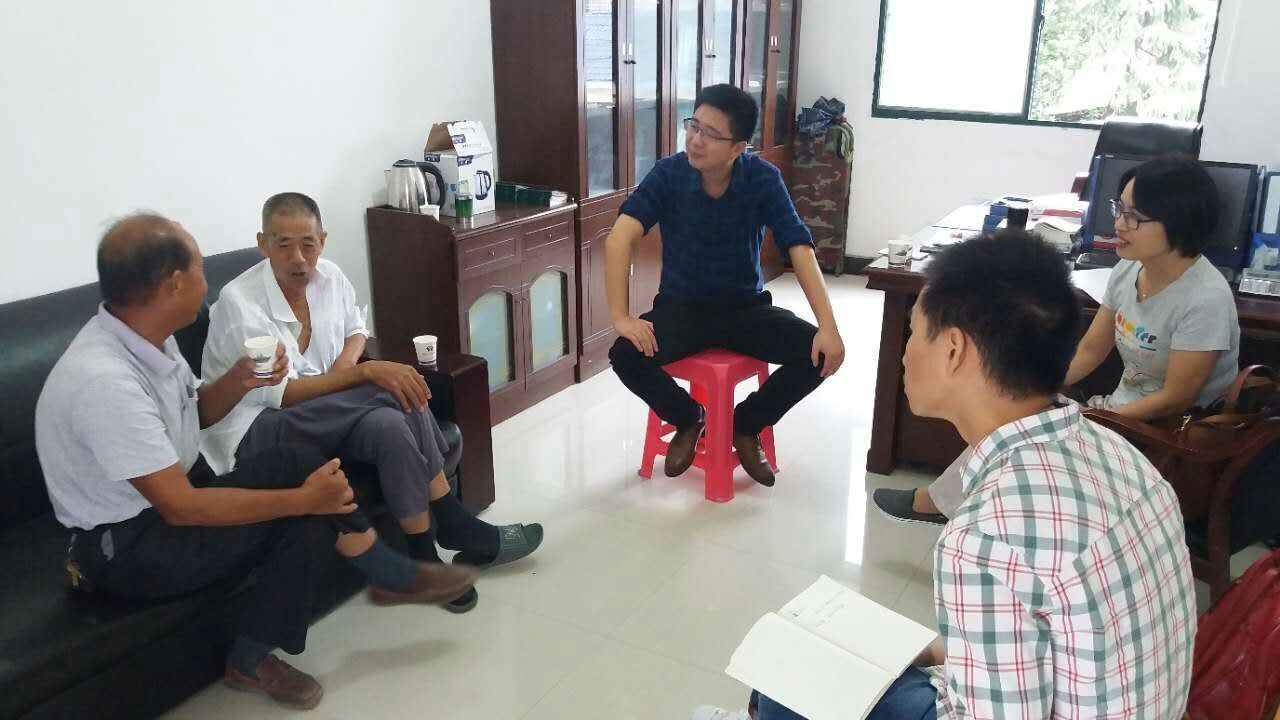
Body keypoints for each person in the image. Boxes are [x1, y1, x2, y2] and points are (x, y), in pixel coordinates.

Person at [701, 231, 1197, 719]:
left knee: (786, 682)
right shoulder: (1120, 454)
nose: (904, 352)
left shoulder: (986, 535)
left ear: (954, 350)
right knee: (801, 670)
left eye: (915, 332)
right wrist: (939, 651)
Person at [35, 214, 477, 710]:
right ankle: (282, 640)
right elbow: (181, 507)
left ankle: (385, 575)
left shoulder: (146, 336)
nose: (206, 281)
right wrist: (303, 500)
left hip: (164, 505)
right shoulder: (106, 382)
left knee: (297, 462)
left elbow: (194, 415)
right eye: (199, 268)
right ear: (174, 284)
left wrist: (240, 380)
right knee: (307, 510)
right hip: (125, 546)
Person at [200, 192, 543, 613]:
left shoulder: (329, 278)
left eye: (308, 243)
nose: (298, 258)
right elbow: (283, 395)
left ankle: (422, 558)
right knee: (388, 387)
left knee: (389, 424)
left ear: (323, 240)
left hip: (326, 410)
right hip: (258, 427)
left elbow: (357, 330)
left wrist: (345, 367)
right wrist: (361, 374)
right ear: (262, 243)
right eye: (283, 244)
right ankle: (453, 519)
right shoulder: (240, 303)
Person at [877, 154, 1240, 524]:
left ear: (1178, 221)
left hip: (1168, 429)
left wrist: (1098, 415)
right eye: (1119, 209)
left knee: (1023, 421)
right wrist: (1031, 389)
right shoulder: (1128, 271)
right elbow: (1090, 350)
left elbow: (1176, 397)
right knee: (1014, 408)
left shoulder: (1204, 297)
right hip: (1117, 409)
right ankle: (955, 501)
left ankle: (949, 504)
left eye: (1134, 217)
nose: (1119, 224)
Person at [606, 84, 845, 487]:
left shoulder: (763, 179)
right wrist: (621, 317)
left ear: (737, 147)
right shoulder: (668, 174)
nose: (695, 140)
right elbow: (619, 238)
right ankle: (688, 417)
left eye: (711, 134)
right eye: (694, 126)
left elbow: (799, 247)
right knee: (625, 355)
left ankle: (745, 424)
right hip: (681, 310)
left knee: (821, 355)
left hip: (746, 310)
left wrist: (829, 326)